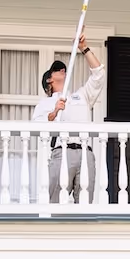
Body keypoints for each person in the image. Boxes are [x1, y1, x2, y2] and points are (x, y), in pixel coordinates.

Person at [33, 34, 105, 201]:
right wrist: (54, 112)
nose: (61, 70)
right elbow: (38, 127)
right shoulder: (45, 104)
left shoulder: (81, 96)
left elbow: (99, 76)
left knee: (85, 202)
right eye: (56, 70)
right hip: (61, 151)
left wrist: (83, 48)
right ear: (49, 80)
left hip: (84, 151)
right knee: (54, 201)